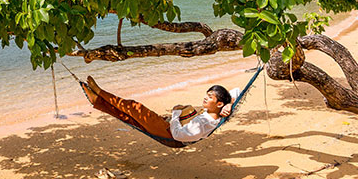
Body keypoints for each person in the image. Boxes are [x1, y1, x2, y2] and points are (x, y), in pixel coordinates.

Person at [81, 76, 240, 147]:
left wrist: (175, 113)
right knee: (131, 118)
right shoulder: (219, 111)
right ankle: (98, 101)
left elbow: (178, 134)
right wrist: (229, 105)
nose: (205, 98)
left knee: (134, 108)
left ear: (218, 103)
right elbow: (237, 91)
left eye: (210, 97)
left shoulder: (202, 124)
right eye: (207, 94)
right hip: (171, 129)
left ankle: (100, 92)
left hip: (171, 136)